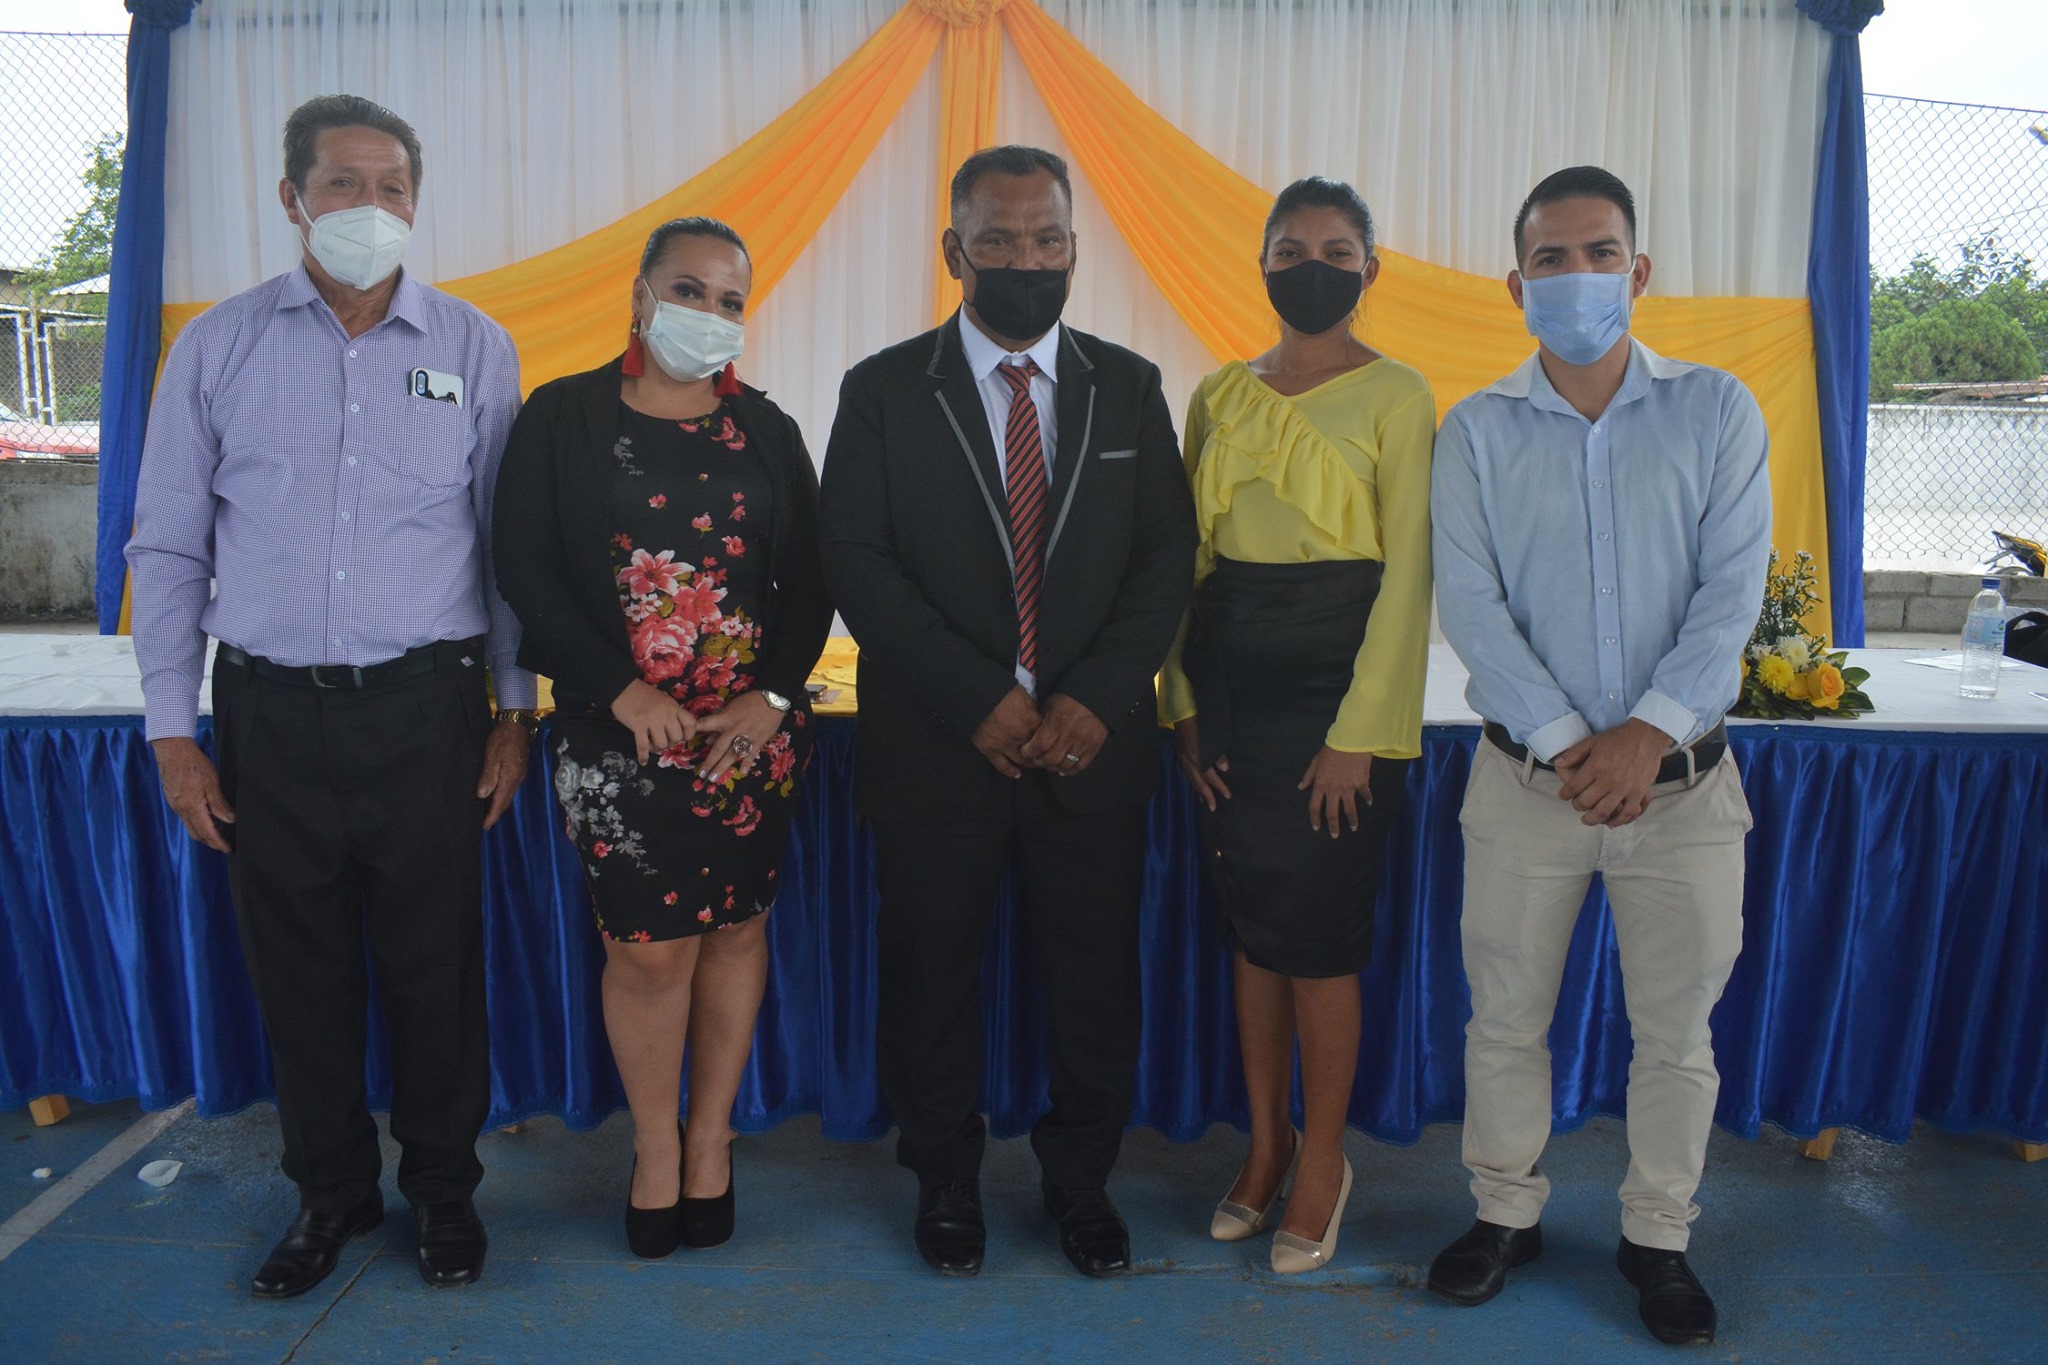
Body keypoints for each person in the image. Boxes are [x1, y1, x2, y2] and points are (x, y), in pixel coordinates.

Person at [127, 94, 534, 1298]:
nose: (370, 206)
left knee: (434, 972)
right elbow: (167, 547)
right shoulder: (219, 346)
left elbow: (506, 549)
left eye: (392, 186)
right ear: (292, 198)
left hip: (429, 711)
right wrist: (172, 734)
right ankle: (330, 1196)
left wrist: (514, 711)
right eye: (344, 183)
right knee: (298, 976)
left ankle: (444, 1194)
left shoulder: (472, 347)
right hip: (270, 717)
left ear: (417, 200)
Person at [819, 146, 1196, 1279]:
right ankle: (943, 1179)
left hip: (1092, 749)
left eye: (1046, 240)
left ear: (1074, 248)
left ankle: (1081, 1184)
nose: (1025, 260)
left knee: (1093, 983)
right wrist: (978, 697)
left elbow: (1164, 558)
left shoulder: (1128, 386)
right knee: (931, 978)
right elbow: (857, 560)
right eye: (998, 240)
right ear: (955, 251)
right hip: (937, 748)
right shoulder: (883, 389)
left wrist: (1094, 696)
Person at [1425, 166, 1771, 1345]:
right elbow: (1470, 608)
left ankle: (1656, 1237)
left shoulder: (1715, 410)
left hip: (1683, 791)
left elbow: (1730, 596)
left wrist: (1645, 735)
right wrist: (1580, 747)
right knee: (1503, 1018)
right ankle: (1502, 1213)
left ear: (1639, 272)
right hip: (1529, 786)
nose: (1575, 277)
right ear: (1513, 283)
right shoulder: (1475, 430)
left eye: (1598, 254)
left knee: (1676, 1033)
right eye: (1550, 260)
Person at [491, 217, 830, 1259]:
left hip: (744, 742)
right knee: (646, 953)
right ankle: (652, 1145)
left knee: (735, 934)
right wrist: (619, 688)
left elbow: (814, 575)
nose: (710, 314)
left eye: (730, 301)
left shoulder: (766, 428)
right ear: (640, 294)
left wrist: (773, 698)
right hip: (616, 738)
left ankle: (711, 1140)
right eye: (689, 290)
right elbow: (523, 568)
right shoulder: (562, 416)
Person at [1157, 177, 1435, 1274]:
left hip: (1339, 698)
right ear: (1261, 264)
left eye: (1334, 250)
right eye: (1288, 250)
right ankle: (1265, 1142)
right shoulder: (1218, 394)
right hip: (1231, 692)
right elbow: (1183, 562)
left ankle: (1324, 1159)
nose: (1309, 266)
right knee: (1252, 930)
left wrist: (1358, 732)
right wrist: (1181, 701)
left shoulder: (1400, 394)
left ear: (1371, 268)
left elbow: (1408, 578)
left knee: (1317, 944)